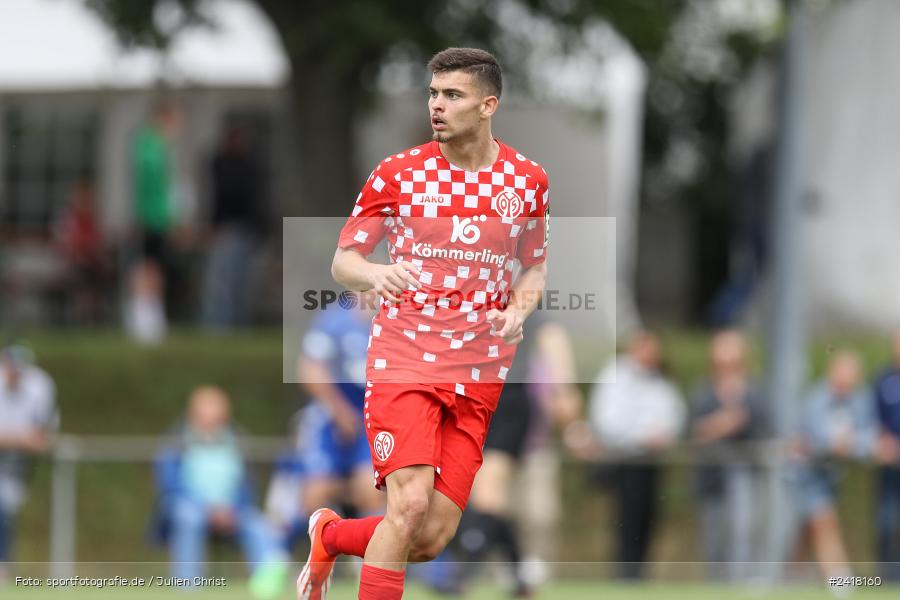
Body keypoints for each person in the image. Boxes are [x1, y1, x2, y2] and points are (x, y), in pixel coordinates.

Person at [297, 47, 551, 600]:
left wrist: (518, 310)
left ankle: (330, 535)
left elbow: (533, 264)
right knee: (407, 506)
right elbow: (344, 260)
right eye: (433, 93)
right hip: (403, 360)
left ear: (488, 105)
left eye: (452, 95)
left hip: (479, 375)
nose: (437, 105)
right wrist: (376, 273)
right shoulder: (398, 173)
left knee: (431, 536)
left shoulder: (528, 181)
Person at [153, 386, 287, 598]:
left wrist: (232, 509)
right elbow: (170, 485)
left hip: (231, 511)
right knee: (188, 516)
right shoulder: (177, 441)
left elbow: (247, 486)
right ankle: (188, 588)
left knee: (257, 523)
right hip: (191, 508)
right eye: (206, 407)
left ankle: (267, 580)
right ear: (193, 412)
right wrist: (206, 508)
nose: (211, 413)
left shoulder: (237, 440)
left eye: (216, 407)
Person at [588, 330, 685, 580]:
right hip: (626, 460)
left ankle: (639, 575)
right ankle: (625, 576)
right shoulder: (617, 374)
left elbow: (674, 413)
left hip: (652, 463)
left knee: (649, 520)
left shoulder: (661, 379)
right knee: (627, 521)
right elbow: (607, 420)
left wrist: (663, 434)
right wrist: (642, 435)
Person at [295, 298, 384, 531]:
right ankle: (309, 558)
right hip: (331, 420)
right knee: (315, 493)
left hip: (372, 421)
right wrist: (339, 410)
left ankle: (366, 561)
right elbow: (309, 368)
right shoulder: (334, 320)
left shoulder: (395, 321)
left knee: (370, 489)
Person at [787, 351, 876, 581]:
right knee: (825, 522)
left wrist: (851, 444)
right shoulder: (816, 400)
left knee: (808, 530)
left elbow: (868, 438)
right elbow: (816, 440)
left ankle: (789, 577)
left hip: (832, 477)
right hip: (806, 475)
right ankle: (840, 581)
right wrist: (841, 444)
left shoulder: (858, 400)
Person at [689, 330, 768, 581]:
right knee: (715, 540)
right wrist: (720, 424)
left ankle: (741, 585)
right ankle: (718, 586)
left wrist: (740, 419)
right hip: (712, 476)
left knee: (743, 532)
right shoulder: (702, 392)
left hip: (746, 473)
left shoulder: (755, 393)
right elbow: (691, 431)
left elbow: (767, 429)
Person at [0, 344, 58, 582]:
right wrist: (19, 438)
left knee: (4, 506)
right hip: (14, 451)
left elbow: (43, 437)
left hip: (17, 463)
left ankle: (3, 566)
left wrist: (16, 440)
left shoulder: (40, 385)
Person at [201, 123, 266, 330]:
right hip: (229, 228)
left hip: (243, 229)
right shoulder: (224, 166)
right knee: (225, 282)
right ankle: (222, 325)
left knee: (238, 282)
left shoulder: (247, 166)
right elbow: (222, 197)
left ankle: (236, 324)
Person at [126, 100, 181, 344]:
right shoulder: (152, 146)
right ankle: (145, 321)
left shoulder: (148, 145)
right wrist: (169, 216)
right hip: (153, 216)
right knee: (150, 267)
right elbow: (157, 187)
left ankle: (148, 319)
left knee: (150, 266)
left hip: (152, 215)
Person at [873, 330, 900, 581]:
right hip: (890, 464)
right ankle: (884, 578)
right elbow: (873, 417)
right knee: (887, 520)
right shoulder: (883, 380)